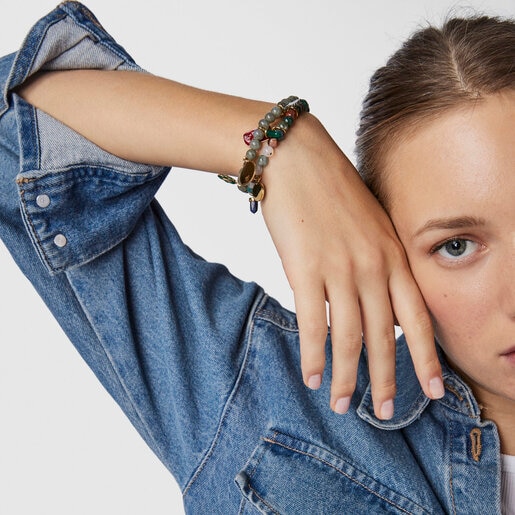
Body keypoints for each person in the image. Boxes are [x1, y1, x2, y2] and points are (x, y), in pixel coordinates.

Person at [0, 2, 513, 513]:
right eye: (456, 246)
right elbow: (11, 129)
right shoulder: (272, 409)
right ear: (384, 253)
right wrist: (277, 142)